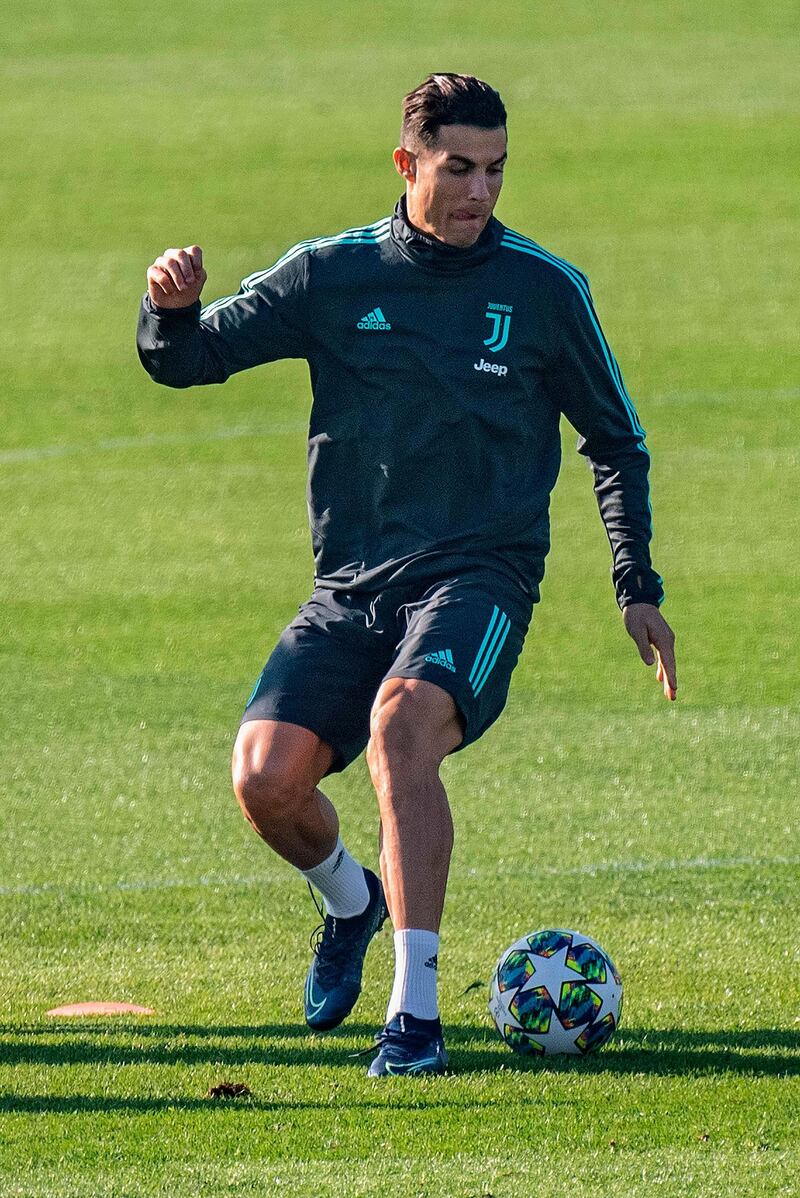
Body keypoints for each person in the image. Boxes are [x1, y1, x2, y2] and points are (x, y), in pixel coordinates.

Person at [136, 73, 677, 1077]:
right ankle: (350, 900)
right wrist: (168, 309)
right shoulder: (331, 276)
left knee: (398, 729)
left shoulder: (541, 290)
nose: (480, 191)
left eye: (496, 170)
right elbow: (188, 361)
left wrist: (632, 582)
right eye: (458, 168)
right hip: (350, 591)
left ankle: (414, 1017)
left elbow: (616, 438)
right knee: (264, 783)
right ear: (407, 163)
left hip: (480, 579)